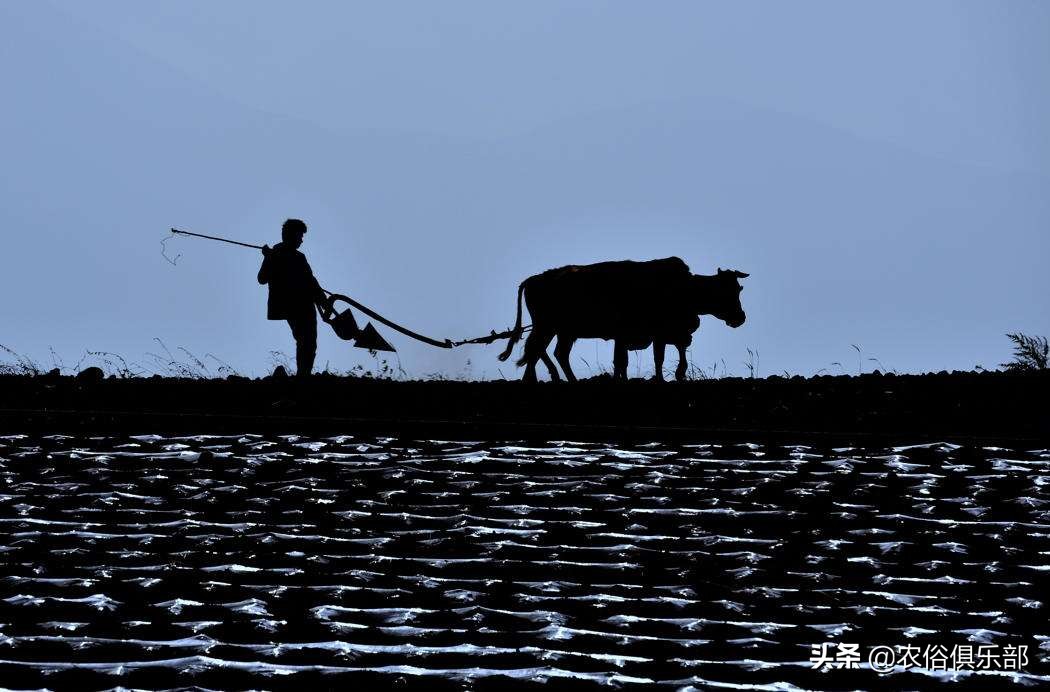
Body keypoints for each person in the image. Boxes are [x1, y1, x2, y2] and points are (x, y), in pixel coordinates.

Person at [257, 218, 330, 377]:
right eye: (300, 236)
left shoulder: (298, 257)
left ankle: (304, 375)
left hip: (304, 304)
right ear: (290, 235)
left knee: (308, 342)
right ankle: (303, 377)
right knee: (306, 341)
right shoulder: (275, 254)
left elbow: (311, 281)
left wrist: (324, 302)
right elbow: (262, 279)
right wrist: (268, 257)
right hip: (295, 306)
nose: (302, 240)